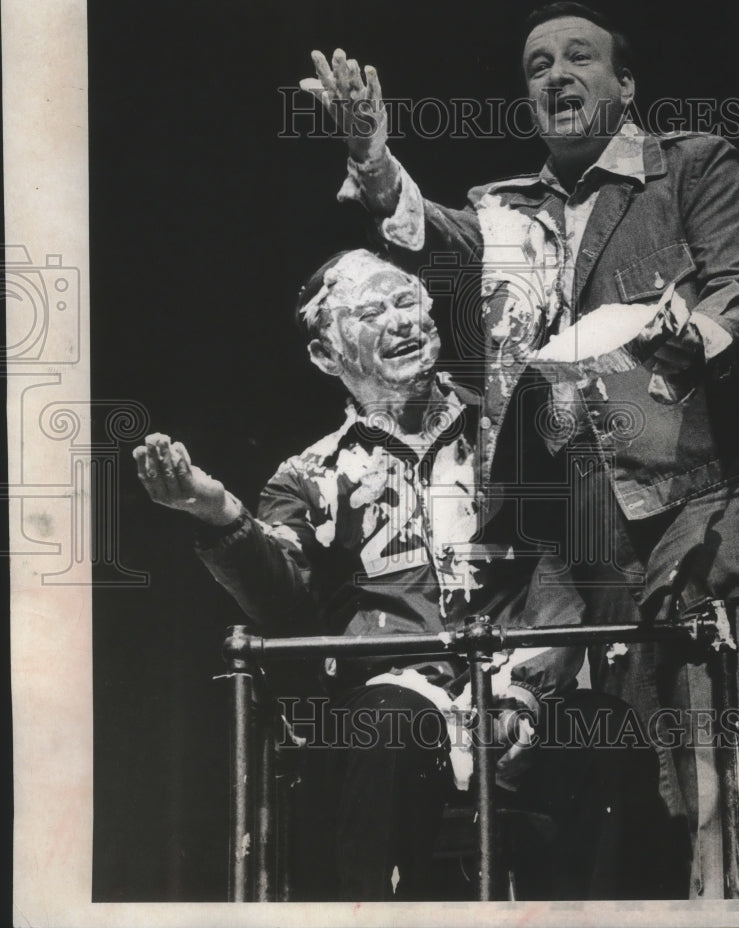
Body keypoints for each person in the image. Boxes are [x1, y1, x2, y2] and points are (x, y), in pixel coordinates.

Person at [301, 2, 739, 898]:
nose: (555, 75)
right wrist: (371, 158)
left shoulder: (691, 165)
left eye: (579, 58)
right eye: (537, 64)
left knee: (731, 750)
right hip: (590, 536)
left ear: (624, 84)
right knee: (651, 782)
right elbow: (436, 238)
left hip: (706, 504)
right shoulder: (510, 214)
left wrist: (698, 336)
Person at [134, 248, 665, 901]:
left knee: (609, 730)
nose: (399, 321)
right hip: (392, 712)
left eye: (406, 300)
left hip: (518, 694)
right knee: (390, 722)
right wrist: (215, 512)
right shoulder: (310, 477)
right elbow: (280, 587)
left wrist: (522, 690)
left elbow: (564, 572)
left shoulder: (517, 437)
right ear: (326, 356)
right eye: (369, 311)